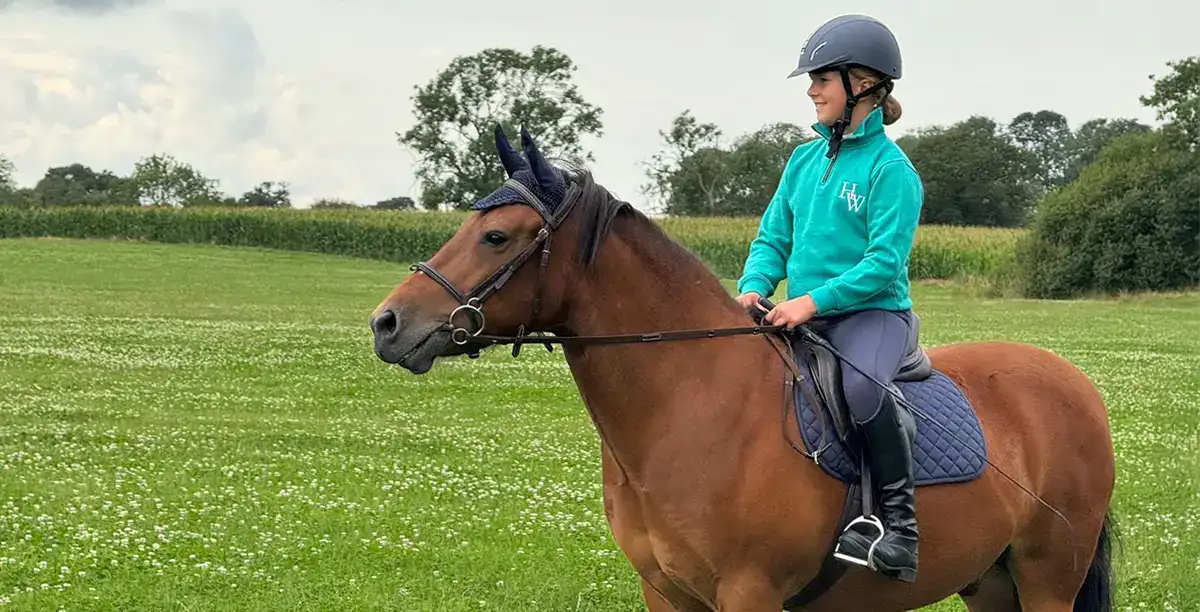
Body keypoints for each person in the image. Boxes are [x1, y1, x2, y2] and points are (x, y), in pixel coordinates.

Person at [734, 14, 924, 583]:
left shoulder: (893, 170)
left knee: (864, 390)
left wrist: (810, 302)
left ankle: (900, 530)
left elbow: (882, 264)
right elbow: (773, 237)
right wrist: (754, 286)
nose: (812, 90)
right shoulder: (801, 160)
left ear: (863, 84)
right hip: (800, 313)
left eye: (821, 79)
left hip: (873, 315)